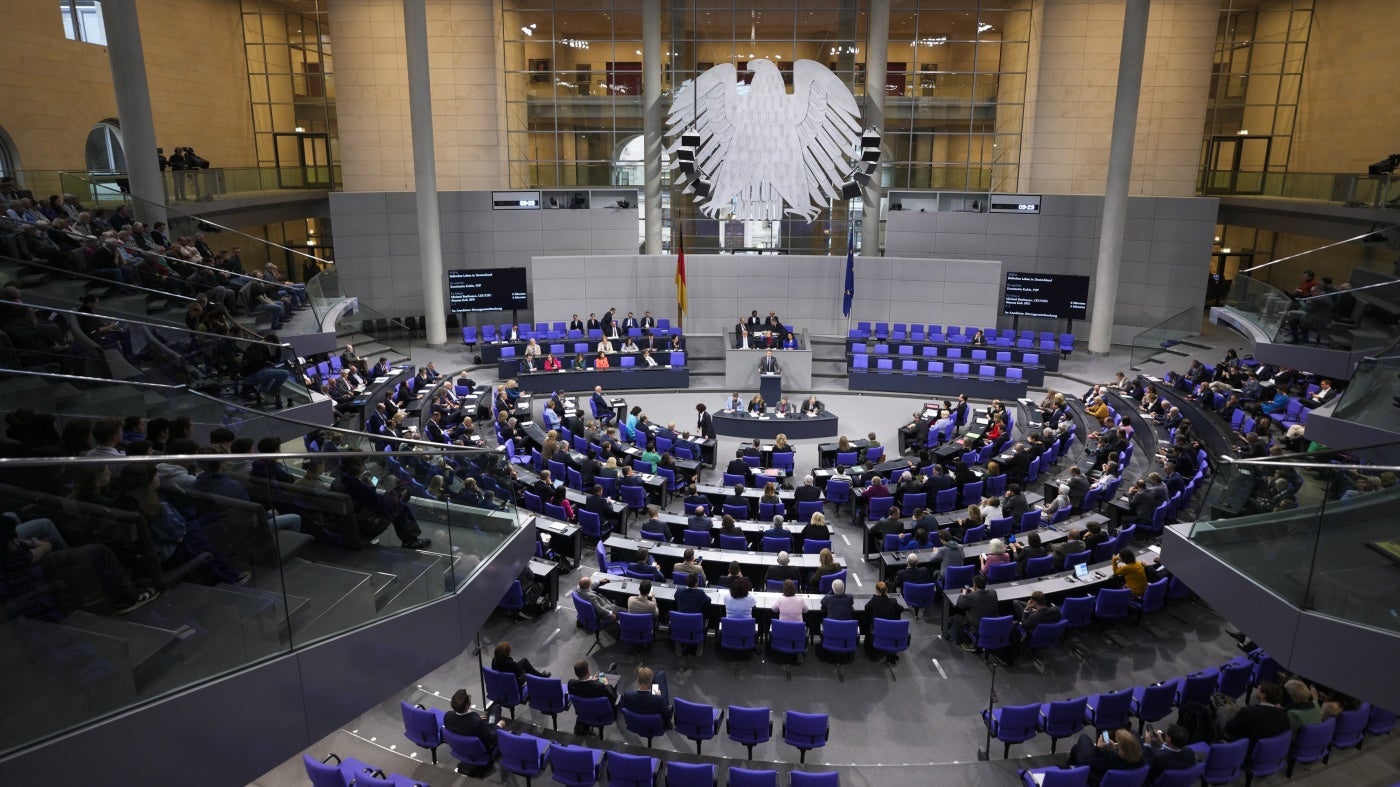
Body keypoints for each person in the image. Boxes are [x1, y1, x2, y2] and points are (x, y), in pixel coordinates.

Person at [1065, 727, 1145, 784]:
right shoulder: (1142, 760)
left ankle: (1069, 770)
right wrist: (1114, 749)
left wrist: (1098, 747)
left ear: (1123, 750)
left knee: (1084, 738)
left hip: (1091, 776)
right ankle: (1070, 766)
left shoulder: (1110, 757)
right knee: (1077, 748)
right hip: (1119, 781)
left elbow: (1092, 764)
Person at [443, 689, 504, 763]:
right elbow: (490, 739)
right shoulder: (476, 722)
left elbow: (463, 723)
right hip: (484, 745)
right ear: (467, 706)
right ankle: (495, 721)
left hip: (464, 744)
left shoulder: (447, 716)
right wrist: (499, 726)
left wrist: (476, 718)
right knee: (496, 708)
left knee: (491, 712)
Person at [1224, 682, 1292, 742]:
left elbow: (1229, 728)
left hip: (1244, 748)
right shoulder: (1285, 716)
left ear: (1263, 695)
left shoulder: (1247, 712)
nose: (1256, 690)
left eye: (1258, 689)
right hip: (1268, 752)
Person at [566, 659, 618, 735]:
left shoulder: (571, 684)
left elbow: (584, 687)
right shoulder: (600, 687)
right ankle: (610, 671)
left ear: (575, 673)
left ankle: (609, 670)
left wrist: (591, 680)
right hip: (600, 713)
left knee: (602, 675)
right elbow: (613, 697)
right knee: (609, 677)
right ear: (587, 671)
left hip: (583, 712)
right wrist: (606, 684)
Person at [948, 573, 998, 649]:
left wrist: (963, 593)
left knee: (957, 617)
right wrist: (975, 592)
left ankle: (969, 643)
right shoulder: (993, 593)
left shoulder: (971, 597)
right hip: (993, 625)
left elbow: (959, 604)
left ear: (974, 585)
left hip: (978, 627)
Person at [863, 581, 906, 658]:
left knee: (866, 622)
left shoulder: (874, 600)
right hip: (891, 630)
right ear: (887, 590)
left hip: (878, 630)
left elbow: (866, 608)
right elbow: (901, 609)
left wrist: (875, 597)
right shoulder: (893, 602)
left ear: (877, 591)